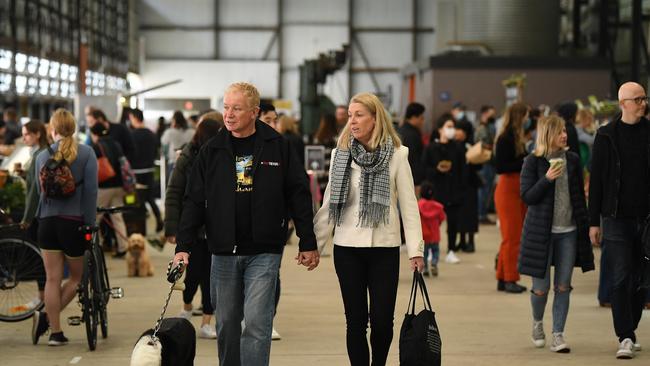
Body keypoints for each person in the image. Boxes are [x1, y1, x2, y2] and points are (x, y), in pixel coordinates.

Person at [173, 82, 319, 366]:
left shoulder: (278, 147)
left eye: (236, 108)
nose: (228, 114)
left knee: (256, 322)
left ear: (254, 112)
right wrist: (183, 246)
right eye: (226, 107)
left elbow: (298, 194)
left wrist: (307, 240)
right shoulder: (211, 150)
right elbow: (192, 201)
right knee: (226, 323)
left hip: (264, 251)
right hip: (224, 251)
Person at [313, 92, 424, 366]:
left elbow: (409, 206)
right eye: (350, 115)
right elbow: (329, 204)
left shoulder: (398, 155)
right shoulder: (341, 154)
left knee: (383, 322)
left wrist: (416, 250)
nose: (352, 121)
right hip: (347, 249)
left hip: (384, 249)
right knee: (356, 321)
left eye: (359, 115)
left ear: (375, 119)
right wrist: (313, 246)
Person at [519, 115, 594, 353]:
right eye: (560, 131)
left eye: (565, 131)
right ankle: (537, 323)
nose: (565, 135)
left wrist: (589, 225)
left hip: (569, 233)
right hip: (541, 232)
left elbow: (579, 198)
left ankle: (558, 334)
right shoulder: (533, 161)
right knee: (540, 288)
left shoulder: (572, 160)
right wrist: (547, 179)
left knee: (563, 286)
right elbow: (527, 196)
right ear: (548, 134)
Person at [589, 81, 649, 359]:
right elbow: (597, 183)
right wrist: (593, 222)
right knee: (620, 276)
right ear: (623, 103)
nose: (643, 104)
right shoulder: (606, 136)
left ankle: (631, 328)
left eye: (644, 99)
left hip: (646, 219)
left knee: (641, 278)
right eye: (637, 100)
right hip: (615, 218)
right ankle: (624, 335)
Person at [31, 109, 98, 346]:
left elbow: (40, 193)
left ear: (53, 129)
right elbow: (90, 193)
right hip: (73, 224)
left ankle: (55, 333)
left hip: (47, 223)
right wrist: (90, 222)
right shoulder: (87, 153)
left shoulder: (41, 156)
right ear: (74, 127)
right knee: (77, 278)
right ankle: (47, 318)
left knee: (52, 279)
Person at [165, 116, 222, 340]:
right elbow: (174, 193)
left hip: (216, 230)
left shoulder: (224, 155)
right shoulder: (187, 157)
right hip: (192, 229)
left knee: (211, 278)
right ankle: (187, 306)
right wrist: (172, 228)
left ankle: (207, 321)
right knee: (191, 276)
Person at [494, 102, 529, 293]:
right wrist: (524, 160)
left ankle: (502, 277)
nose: (528, 119)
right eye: (526, 115)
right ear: (520, 116)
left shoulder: (515, 137)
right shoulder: (505, 138)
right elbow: (501, 166)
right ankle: (510, 278)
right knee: (512, 238)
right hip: (508, 189)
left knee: (511, 237)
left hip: (517, 188)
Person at [422, 113, 465, 264]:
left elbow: (462, 170)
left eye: (453, 127)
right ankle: (430, 250)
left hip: (453, 190)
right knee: (432, 224)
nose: (452, 130)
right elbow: (424, 169)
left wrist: (461, 189)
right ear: (440, 129)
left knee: (453, 223)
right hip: (436, 191)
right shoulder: (431, 148)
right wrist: (437, 170)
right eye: (448, 127)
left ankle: (451, 250)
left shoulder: (458, 148)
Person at [90, 123, 130, 257]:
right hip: (119, 185)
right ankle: (123, 247)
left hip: (105, 187)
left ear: (95, 134)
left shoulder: (96, 146)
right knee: (117, 217)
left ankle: (96, 246)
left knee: (95, 217)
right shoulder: (116, 144)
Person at [128, 108, 164, 232]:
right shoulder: (151, 134)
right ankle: (159, 219)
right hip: (149, 170)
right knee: (149, 197)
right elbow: (156, 152)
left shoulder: (131, 135)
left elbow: (128, 154)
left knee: (138, 199)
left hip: (136, 172)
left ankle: (140, 228)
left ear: (134, 118)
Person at [20, 120, 49, 236]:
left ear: (37, 134)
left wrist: (27, 218)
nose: (24, 139)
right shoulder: (44, 151)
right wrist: (26, 174)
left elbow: (34, 189)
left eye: (26, 134)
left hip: (39, 211)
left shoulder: (39, 155)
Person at [475, 105, 498, 225]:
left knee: (486, 189)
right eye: (491, 114)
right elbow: (482, 144)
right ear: (484, 114)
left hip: (488, 162)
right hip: (485, 162)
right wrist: (492, 146)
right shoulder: (482, 128)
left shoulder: (487, 127)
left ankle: (482, 213)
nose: (493, 116)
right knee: (484, 189)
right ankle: (481, 214)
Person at [418, 180, 445, 277]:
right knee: (435, 251)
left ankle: (425, 268)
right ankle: (434, 263)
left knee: (424, 253)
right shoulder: (438, 207)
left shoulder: (419, 205)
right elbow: (442, 218)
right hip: (435, 235)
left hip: (424, 235)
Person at [397, 102, 425, 186]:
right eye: (421, 118)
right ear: (413, 117)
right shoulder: (412, 135)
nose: (422, 121)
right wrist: (418, 182)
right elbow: (414, 160)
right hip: (411, 179)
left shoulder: (400, 130)